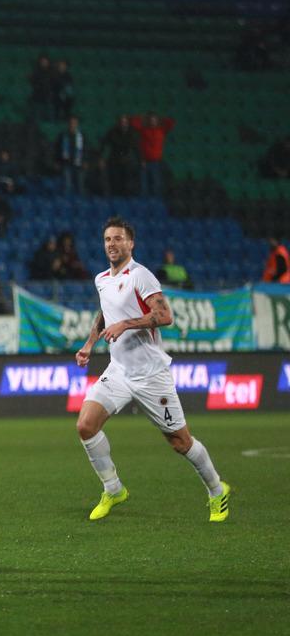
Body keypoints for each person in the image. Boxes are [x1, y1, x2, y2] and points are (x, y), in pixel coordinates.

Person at [74, 217, 230, 523]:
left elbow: (165, 315)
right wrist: (89, 344)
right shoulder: (102, 279)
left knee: (180, 442)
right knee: (86, 426)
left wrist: (126, 324)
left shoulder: (140, 276)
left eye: (118, 239)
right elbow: (104, 313)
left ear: (130, 244)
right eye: (108, 239)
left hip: (150, 375)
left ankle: (216, 490)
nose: (112, 244)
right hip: (119, 370)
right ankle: (113, 488)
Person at [130, 113, 175, 197]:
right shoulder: (144, 130)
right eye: (151, 120)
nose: (152, 122)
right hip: (144, 162)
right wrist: (143, 118)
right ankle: (144, 201)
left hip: (156, 162)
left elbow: (171, 123)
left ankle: (156, 200)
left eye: (154, 120)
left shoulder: (161, 131)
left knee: (156, 182)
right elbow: (133, 122)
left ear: (157, 121)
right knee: (143, 183)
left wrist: (162, 118)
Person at [57, 116, 85, 195]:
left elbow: (86, 149)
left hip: (79, 163)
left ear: (77, 124)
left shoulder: (81, 136)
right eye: (71, 123)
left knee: (80, 185)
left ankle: (81, 200)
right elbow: (57, 149)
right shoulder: (63, 136)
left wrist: (85, 161)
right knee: (67, 185)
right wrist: (58, 161)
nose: (72, 125)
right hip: (66, 163)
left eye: (74, 123)